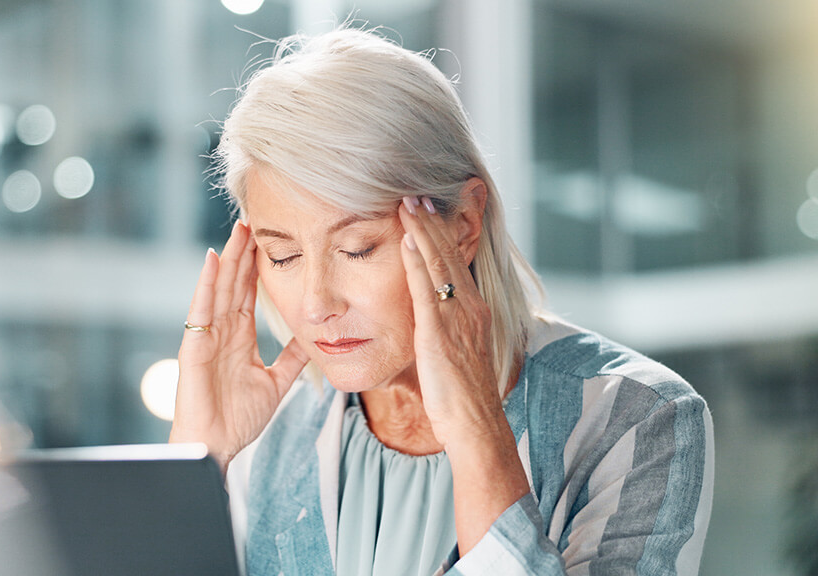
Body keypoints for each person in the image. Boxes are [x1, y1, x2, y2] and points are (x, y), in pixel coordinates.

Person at [170, 26, 713, 576]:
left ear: (463, 224)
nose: (315, 305)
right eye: (283, 256)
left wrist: (476, 426)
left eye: (358, 249)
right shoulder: (261, 440)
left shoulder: (637, 417)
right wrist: (194, 463)